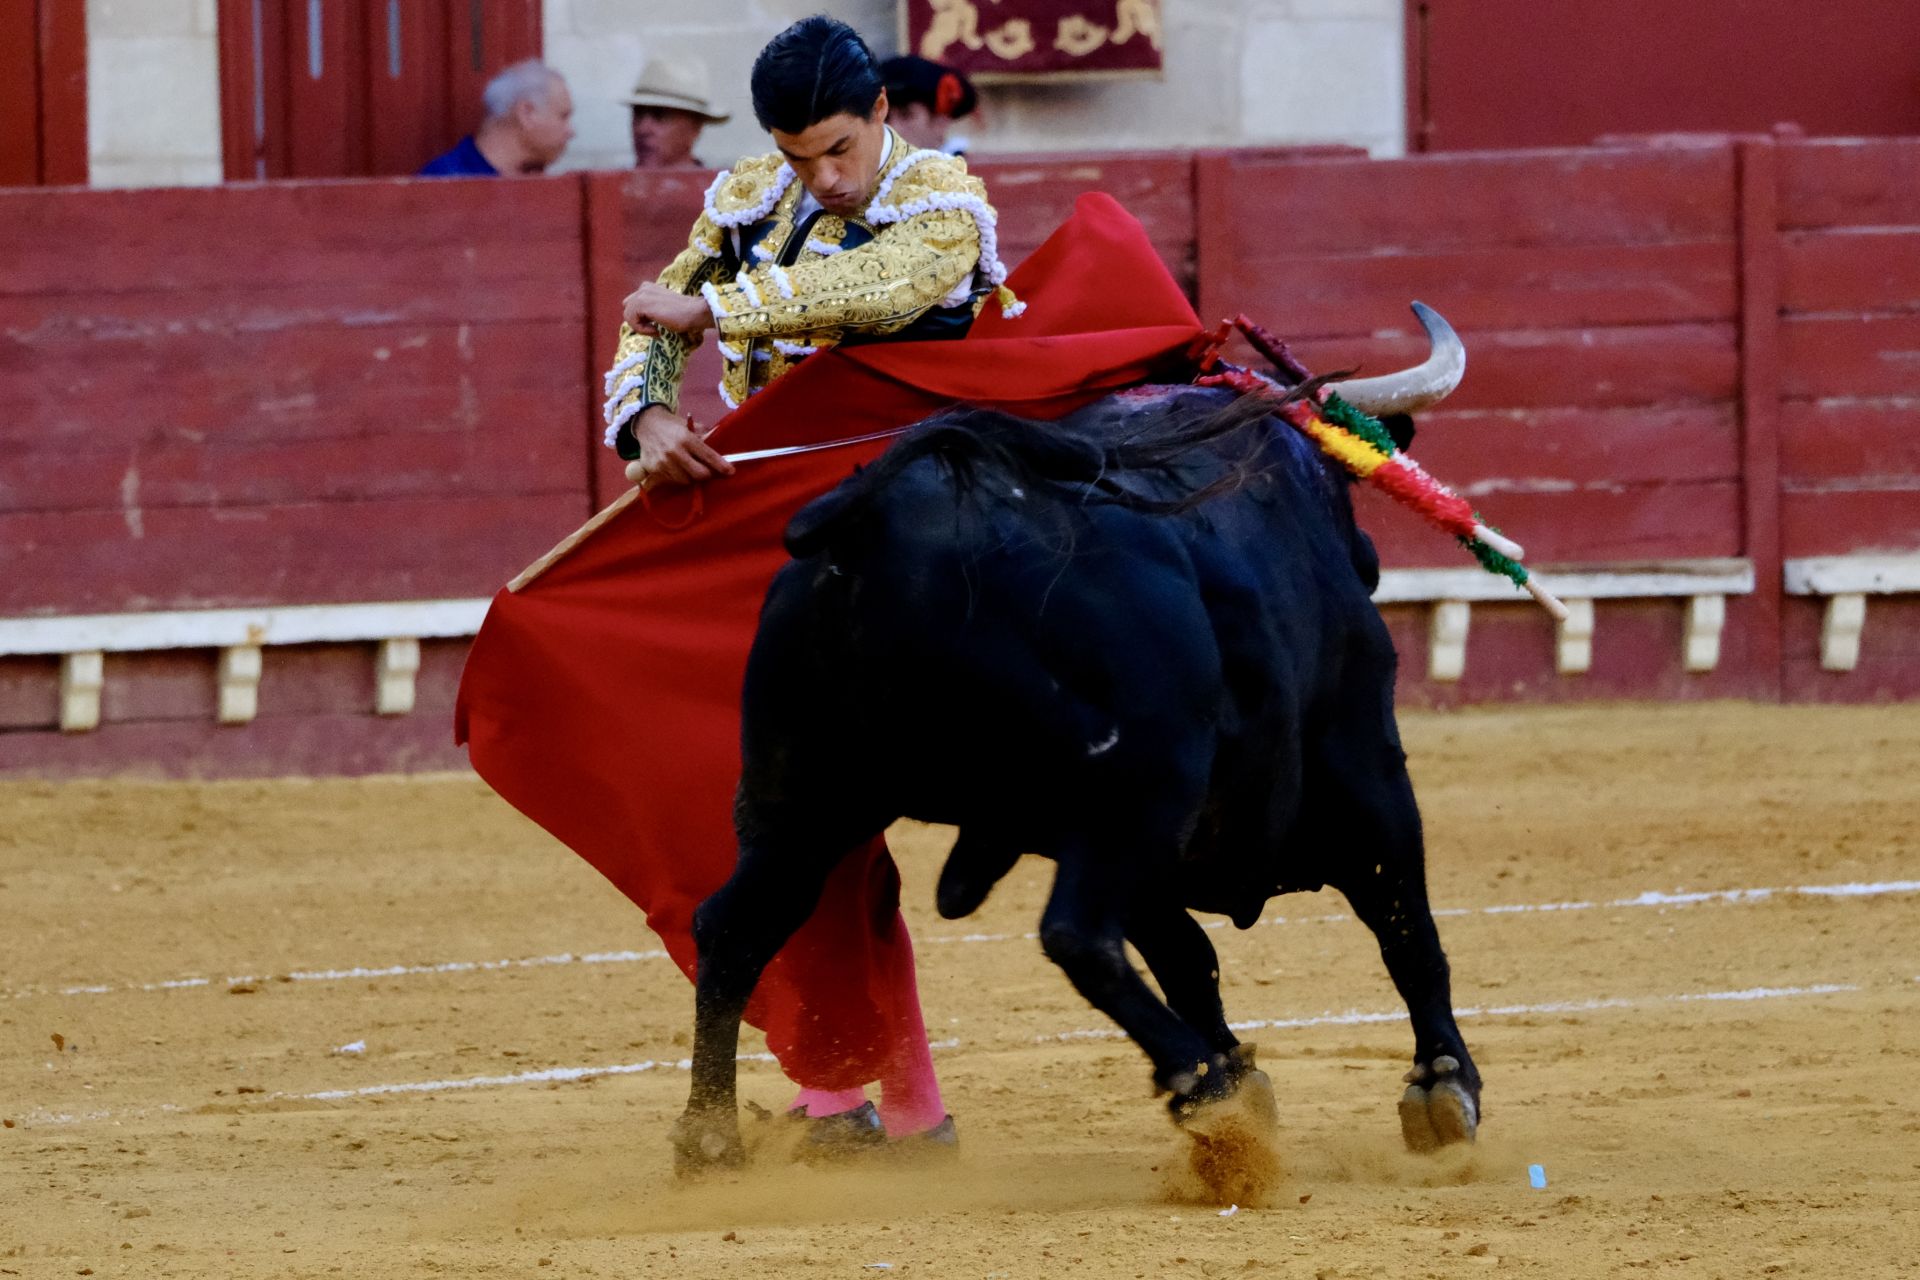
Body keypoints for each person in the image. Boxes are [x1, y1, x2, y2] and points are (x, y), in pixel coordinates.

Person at [604, 17, 1017, 490]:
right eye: (797, 156)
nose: (824, 179)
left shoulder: (941, 194)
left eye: (840, 148)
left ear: (879, 107)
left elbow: (882, 286)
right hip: (768, 472)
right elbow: (658, 311)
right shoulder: (753, 193)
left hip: (913, 477)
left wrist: (710, 309)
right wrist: (649, 416)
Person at [419, 61, 574, 177]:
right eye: (563, 116)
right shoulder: (445, 181)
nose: (571, 132)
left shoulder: (537, 184)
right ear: (526, 113)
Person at [623, 57, 730, 169]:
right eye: (638, 114)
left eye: (660, 115)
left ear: (695, 127)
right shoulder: (614, 184)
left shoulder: (720, 185)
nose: (642, 129)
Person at [879, 55, 978, 154]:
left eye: (906, 115)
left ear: (940, 120)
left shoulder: (967, 168)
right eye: (885, 117)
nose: (892, 127)